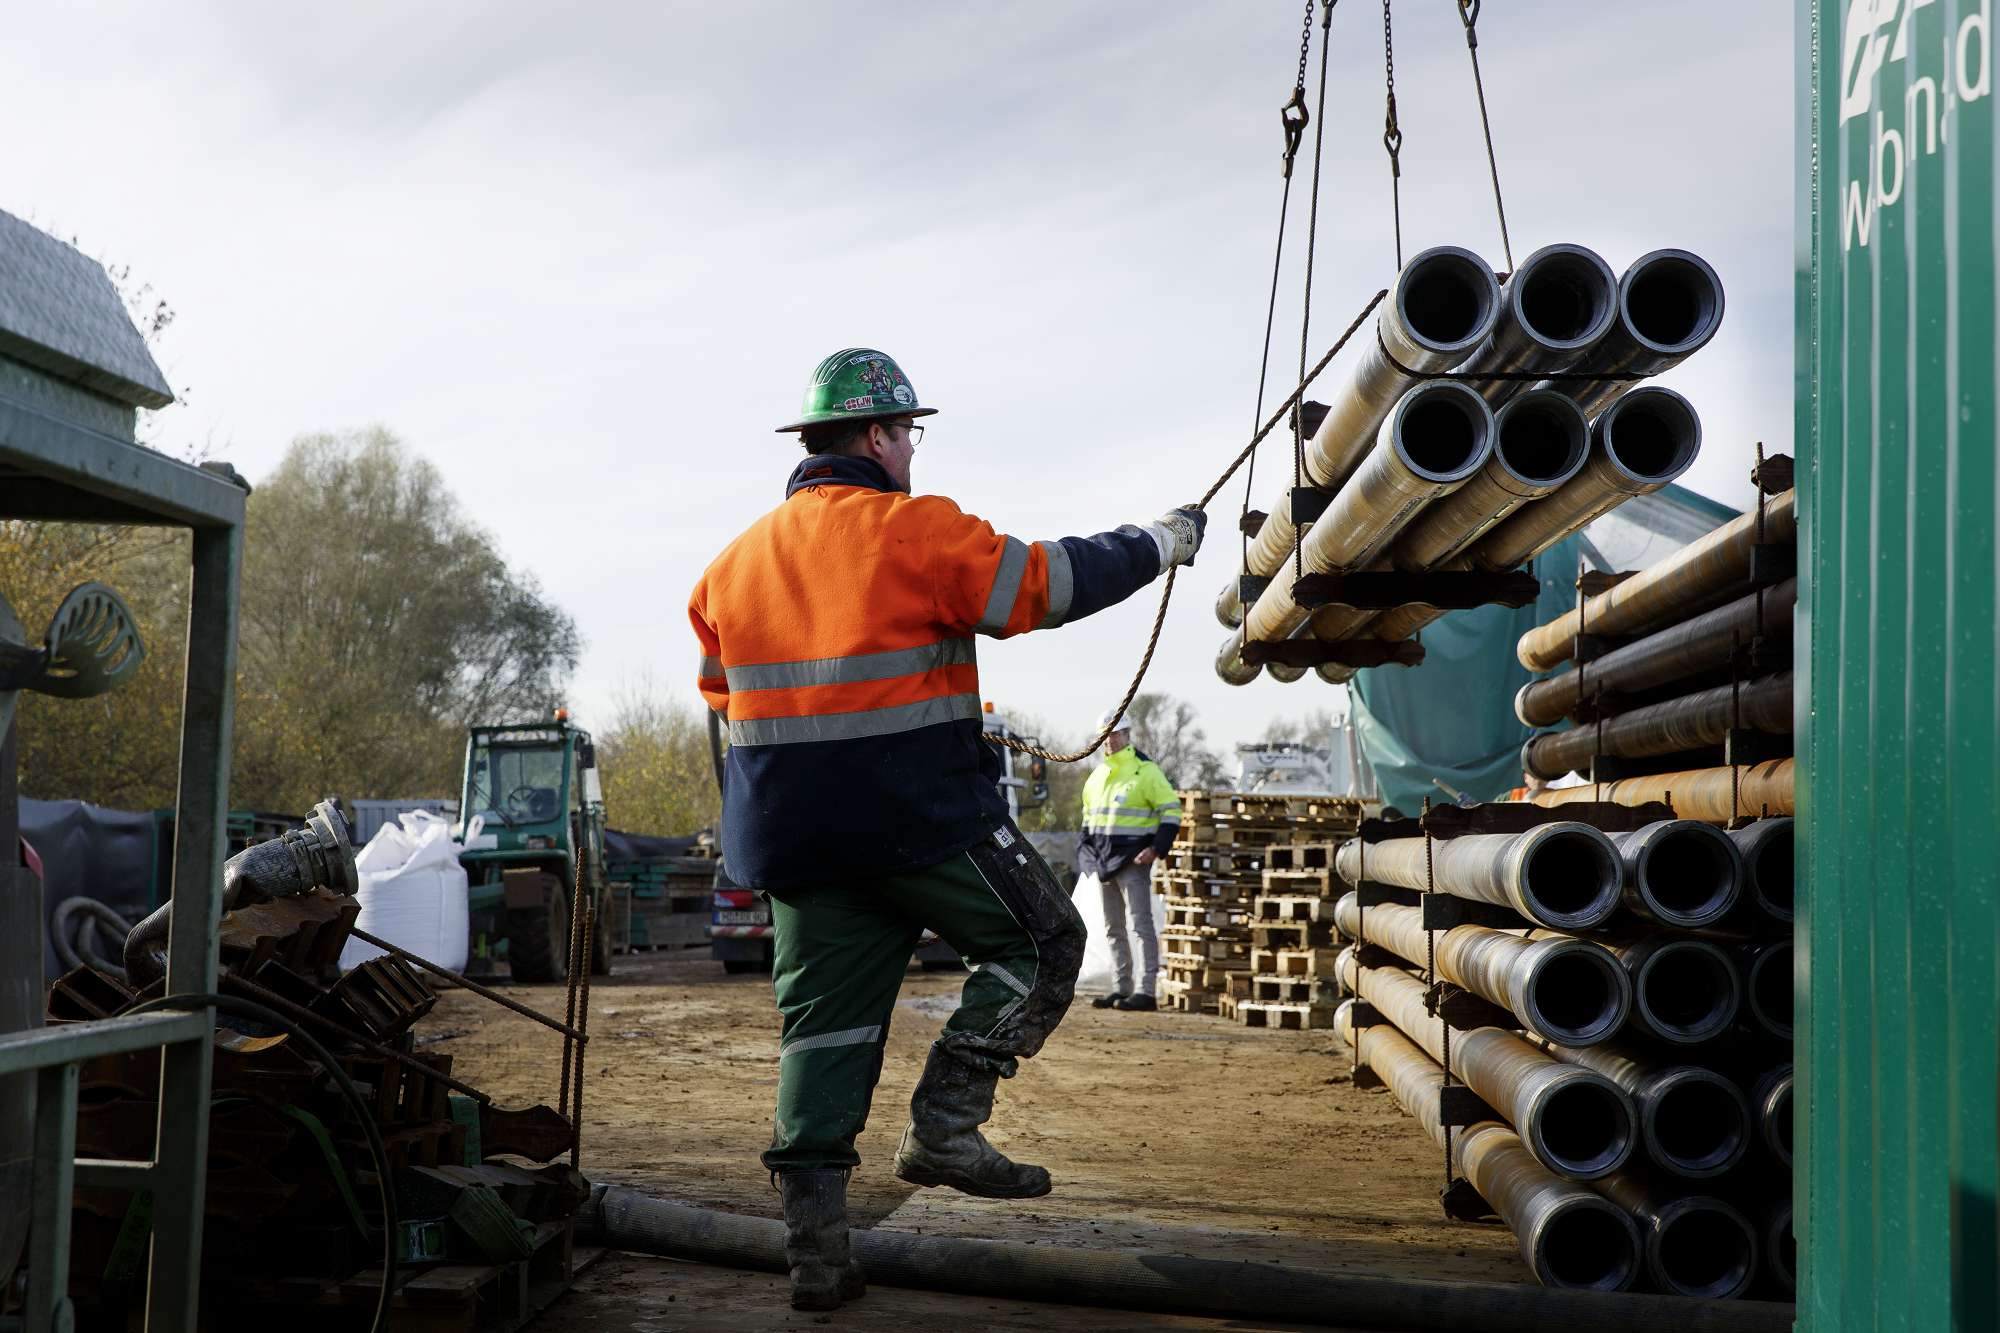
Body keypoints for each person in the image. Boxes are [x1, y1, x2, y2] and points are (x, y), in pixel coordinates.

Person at [687, 348, 1206, 1311]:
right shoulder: (916, 530)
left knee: (823, 1035)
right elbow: (1045, 585)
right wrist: (1158, 541)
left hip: (796, 848)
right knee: (1047, 942)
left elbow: (730, 698)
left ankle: (817, 1254)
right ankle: (946, 1121)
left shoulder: (728, 571)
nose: (912, 452)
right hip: (919, 821)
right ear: (880, 436)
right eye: (908, 434)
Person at [1076, 711, 1180, 1011]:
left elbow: (1171, 812)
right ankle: (1122, 989)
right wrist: (1087, 859)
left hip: (1134, 862)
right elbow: (1087, 825)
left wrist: (1156, 850)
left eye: (1116, 733)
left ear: (1127, 734)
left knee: (1140, 926)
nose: (1110, 739)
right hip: (1104, 864)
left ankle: (1146, 991)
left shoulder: (1146, 771)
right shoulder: (1096, 777)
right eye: (1106, 734)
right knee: (1113, 928)